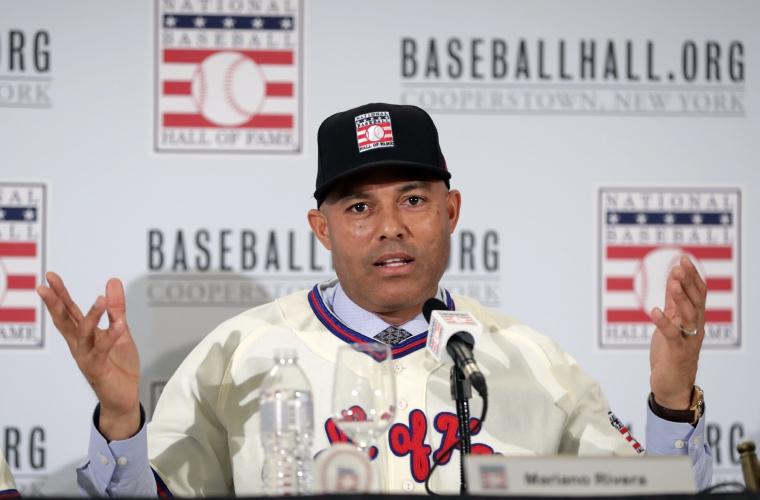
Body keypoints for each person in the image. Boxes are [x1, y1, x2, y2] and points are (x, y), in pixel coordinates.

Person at [38, 103, 712, 496]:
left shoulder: (532, 361)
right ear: (322, 228)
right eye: (360, 206)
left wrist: (672, 401)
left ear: (451, 211)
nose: (391, 227)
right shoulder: (239, 353)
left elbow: (649, 489)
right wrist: (121, 420)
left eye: (413, 200)